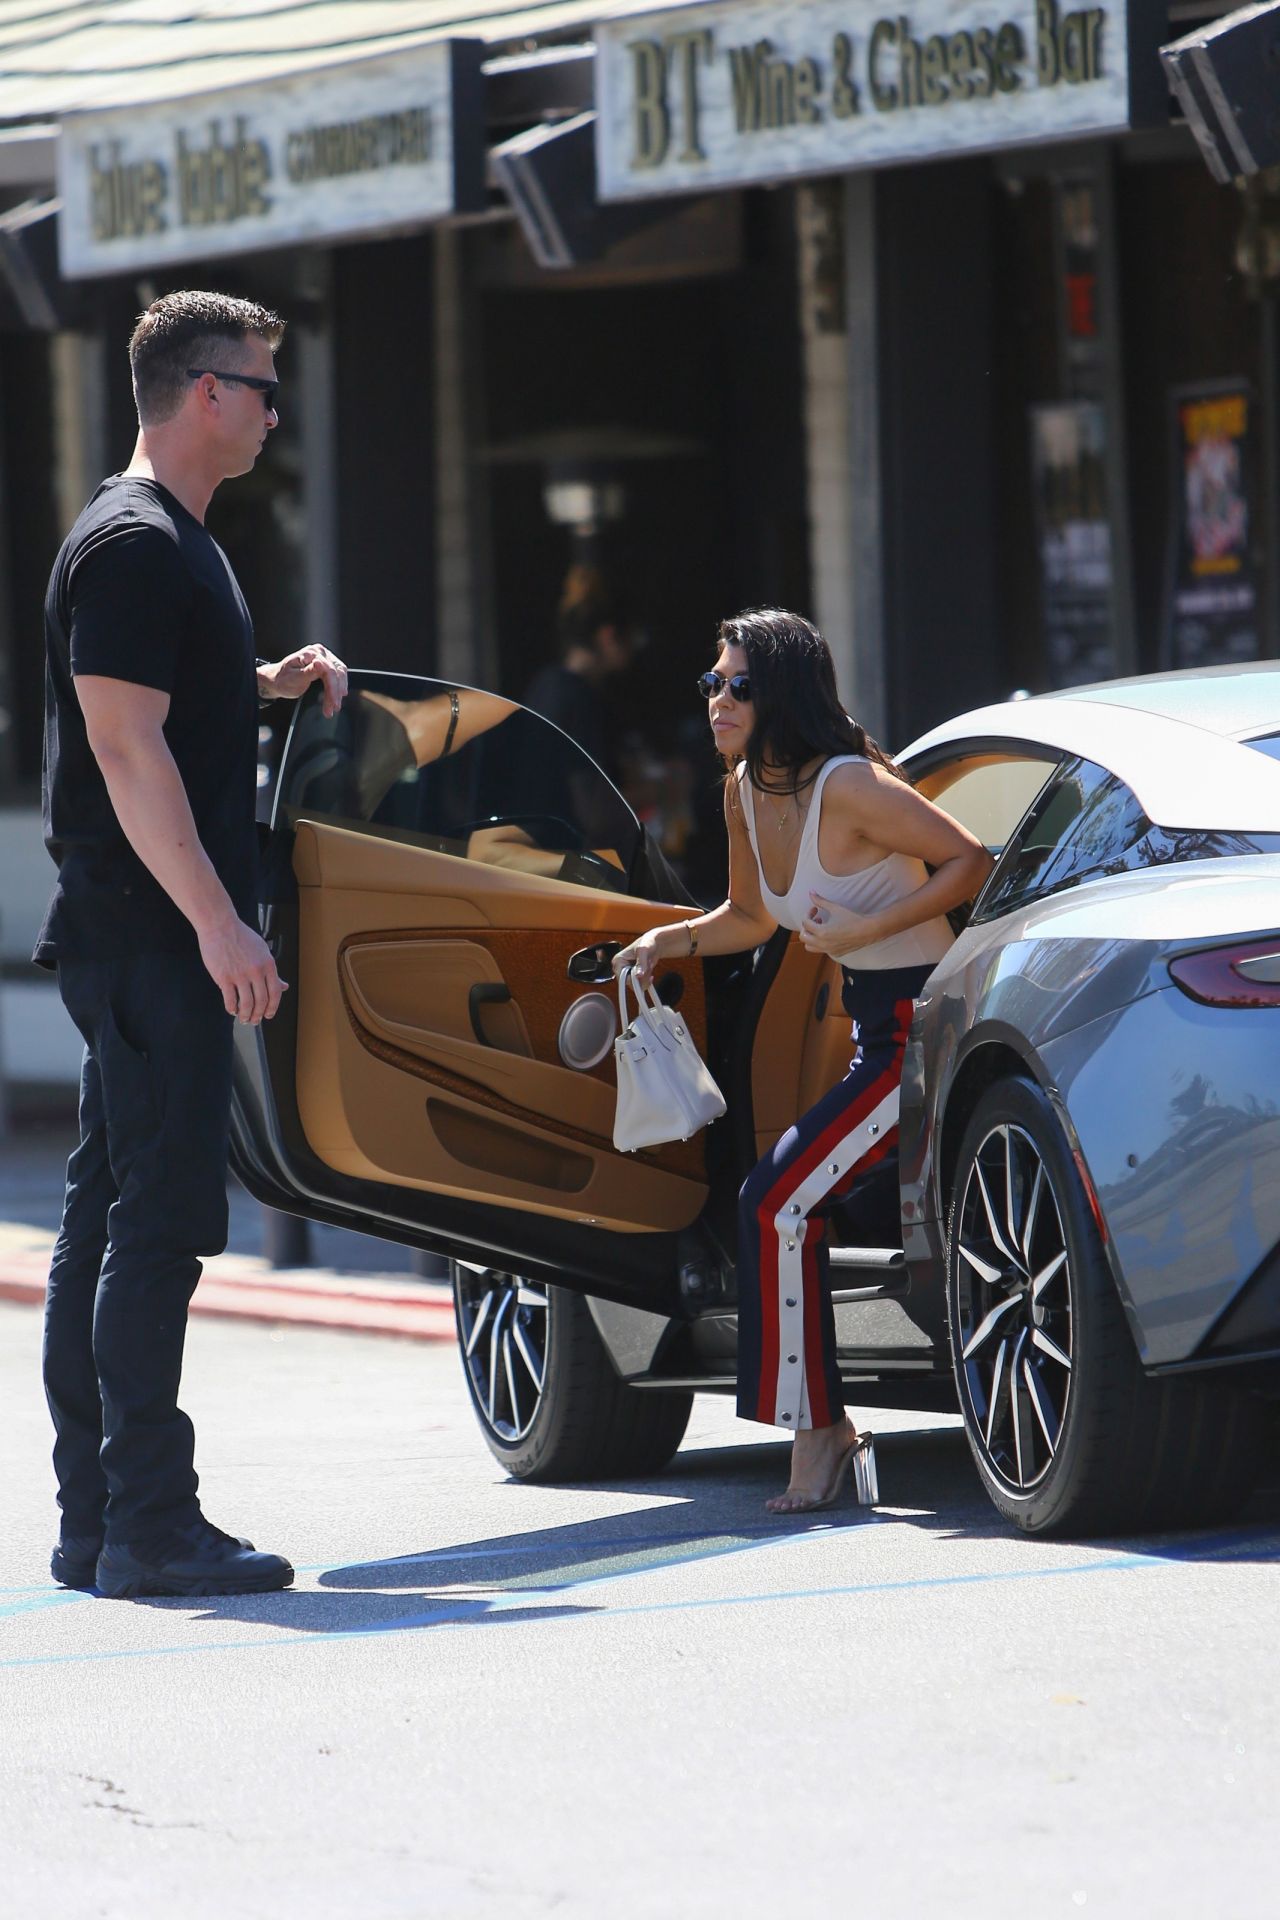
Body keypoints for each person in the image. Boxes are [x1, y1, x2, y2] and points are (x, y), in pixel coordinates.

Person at [34, 290, 348, 1599]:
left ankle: (101, 1520)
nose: (279, 412)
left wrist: (256, 679)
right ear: (207, 392)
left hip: (138, 935)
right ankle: (149, 1525)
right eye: (266, 389)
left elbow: (155, 699)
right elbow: (121, 742)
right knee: (150, 1228)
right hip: (152, 938)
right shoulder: (133, 543)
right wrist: (218, 920)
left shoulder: (173, 545)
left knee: (110, 1220)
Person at [613, 609, 992, 1514]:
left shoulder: (850, 784)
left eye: (738, 684)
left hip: (926, 1032)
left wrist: (865, 926)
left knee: (777, 1200)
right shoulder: (744, 790)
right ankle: (821, 1430)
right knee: (779, 1199)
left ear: (779, 692)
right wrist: (667, 939)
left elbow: (969, 862)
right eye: (711, 682)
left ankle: (820, 1434)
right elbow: (748, 918)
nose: (718, 700)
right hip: (877, 1030)